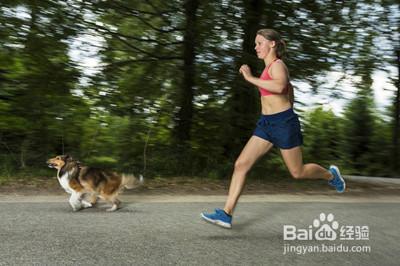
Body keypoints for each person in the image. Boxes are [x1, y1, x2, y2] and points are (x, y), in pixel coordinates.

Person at [201, 29, 345, 229]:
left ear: (272, 44)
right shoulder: (268, 68)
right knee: (241, 164)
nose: (256, 47)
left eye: (259, 43)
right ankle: (226, 214)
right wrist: (285, 105)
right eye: (255, 43)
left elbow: (279, 87)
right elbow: (289, 88)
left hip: (284, 124)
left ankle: (331, 176)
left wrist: (250, 78)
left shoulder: (278, 65)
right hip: (266, 124)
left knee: (297, 172)